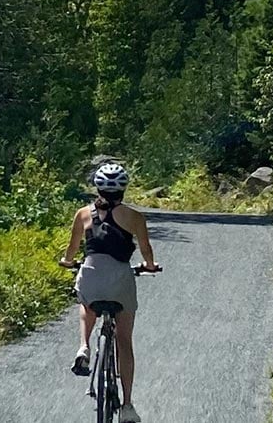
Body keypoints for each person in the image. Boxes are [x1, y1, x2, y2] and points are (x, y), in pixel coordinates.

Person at [57, 162, 161, 422]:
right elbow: (146, 251)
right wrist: (149, 266)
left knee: (85, 301)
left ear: (97, 187)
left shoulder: (83, 214)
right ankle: (127, 406)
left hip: (91, 274)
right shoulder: (134, 217)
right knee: (124, 341)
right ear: (124, 189)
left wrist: (68, 262)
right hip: (120, 279)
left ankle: (84, 347)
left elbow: (71, 251)